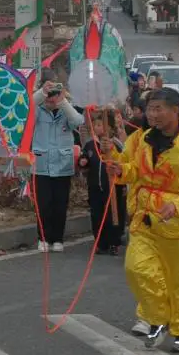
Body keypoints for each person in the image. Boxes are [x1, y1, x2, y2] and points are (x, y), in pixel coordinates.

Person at [110, 88, 179, 352]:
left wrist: (177, 205)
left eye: (158, 109)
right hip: (144, 218)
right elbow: (138, 172)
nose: (152, 114)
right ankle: (158, 319)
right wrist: (122, 170)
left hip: (177, 225)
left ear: (175, 111)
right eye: (150, 109)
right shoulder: (145, 139)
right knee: (136, 269)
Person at [31, 79, 83, 253]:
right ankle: (43, 238)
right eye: (49, 94)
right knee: (43, 204)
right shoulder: (38, 111)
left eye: (54, 94)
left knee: (60, 204)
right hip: (41, 166)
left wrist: (63, 102)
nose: (51, 98)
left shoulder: (66, 111)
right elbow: (25, 109)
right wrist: (41, 93)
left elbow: (78, 121)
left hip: (63, 166)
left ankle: (58, 238)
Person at [79, 111, 126, 256]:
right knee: (97, 215)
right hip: (95, 186)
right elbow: (85, 158)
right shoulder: (90, 144)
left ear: (109, 127)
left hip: (113, 187)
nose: (96, 127)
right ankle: (100, 243)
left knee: (113, 215)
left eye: (100, 124)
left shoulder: (116, 144)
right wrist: (82, 162)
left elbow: (124, 161)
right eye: (95, 125)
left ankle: (114, 242)